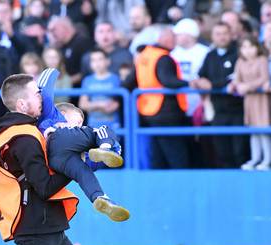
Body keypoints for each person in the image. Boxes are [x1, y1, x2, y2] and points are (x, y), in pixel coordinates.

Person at [0, 73, 89, 245]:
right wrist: (76, 164)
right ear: (22, 104)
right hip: (36, 230)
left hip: (50, 227)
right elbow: (45, 187)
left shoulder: (23, 132)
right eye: (37, 94)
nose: (42, 97)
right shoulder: (24, 137)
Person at [37, 68, 130, 221]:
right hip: (59, 140)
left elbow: (93, 164)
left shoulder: (46, 124)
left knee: (83, 172)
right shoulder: (53, 116)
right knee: (101, 129)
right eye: (79, 121)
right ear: (63, 114)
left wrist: (98, 161)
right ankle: (106, 147)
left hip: (57, 161)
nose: (80, 125)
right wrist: (51, 72)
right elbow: (44, 94)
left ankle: (100, 198)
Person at [126, 24, 193, 169]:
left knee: (158, 155)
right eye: (173, 36)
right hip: (166, 112)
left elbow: (128, 82)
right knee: (177, 155)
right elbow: (168, 81)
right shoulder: (163, 58)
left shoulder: (144, 55)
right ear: (164, 38)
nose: (175, 40)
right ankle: (184, 186)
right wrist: (190, 83)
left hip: (148, 112)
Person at [194, 22, 249, 168]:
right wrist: (199, 82)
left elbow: (236, 77)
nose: (222, 37)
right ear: (212, 36)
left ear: (231, 35)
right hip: (218, 111)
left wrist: (213, 85)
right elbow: (202, 76)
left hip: (238, 110)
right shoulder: (210, 55)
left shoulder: (239, 53)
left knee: (240, 151)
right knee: (222, 152)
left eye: (225, 33)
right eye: (218, 34)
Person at [227, 36, 270, 170]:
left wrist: (248, 86)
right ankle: (255, 158)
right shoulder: (240, 62)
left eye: (251, 47)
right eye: (244, 47)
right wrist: (235, 85)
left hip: (261, 100)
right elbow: (237, 78)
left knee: (263, 130)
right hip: (249, 101)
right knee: (253, 130)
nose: (248, 51)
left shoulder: (262, 60)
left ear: (257, 48)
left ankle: (267, 159)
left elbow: (264, 78)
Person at [79, 48, 121, 130]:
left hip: (112, 126)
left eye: (100, 59)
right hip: (93, 125)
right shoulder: (87, 80)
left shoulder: (115, 79)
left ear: (107, 61)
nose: (97, 63)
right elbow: (82, 104)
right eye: (93, 60)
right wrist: (100, 104)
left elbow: (117, 103)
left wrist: (92, 106)